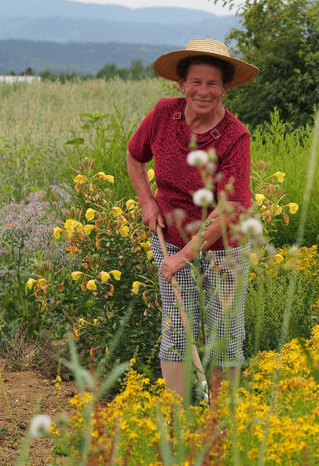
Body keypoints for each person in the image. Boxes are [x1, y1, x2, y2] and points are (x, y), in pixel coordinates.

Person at [126, 38, 258, 398]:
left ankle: (220, 419)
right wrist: (147, 202)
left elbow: (231, 207)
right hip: (169, 236)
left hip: (222, 248)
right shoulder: (163, 115)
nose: (203, 91)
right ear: (181, 85)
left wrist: (185, 257)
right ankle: (179, 417)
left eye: (212, 83)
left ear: (225, 89)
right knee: (177, 328)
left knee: (226, 334)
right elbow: (135, 155)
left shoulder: (235, 136)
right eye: (195, 82)